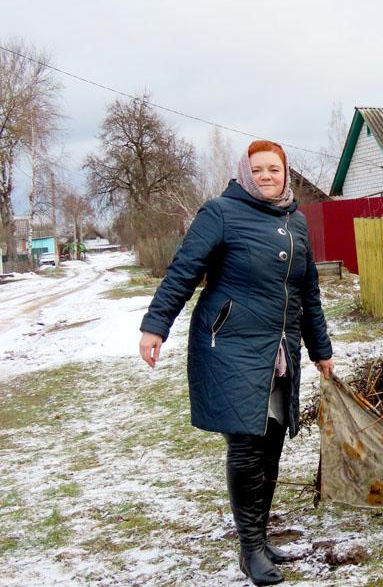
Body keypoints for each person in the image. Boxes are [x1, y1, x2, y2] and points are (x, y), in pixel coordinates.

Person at [139, 140, 333, 586]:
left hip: (279, 350)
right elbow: (183, 270)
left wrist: (320, 349)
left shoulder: (296, 223)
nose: (267, 176)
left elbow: (308, 293)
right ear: (245, 174)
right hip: (229, 345)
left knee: (272, 442)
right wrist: (155, 326)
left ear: (286, 173)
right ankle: (250, 549)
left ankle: (260, 539)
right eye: (258, 169)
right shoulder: (220, 213)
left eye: (275, 169)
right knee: (247, 445)